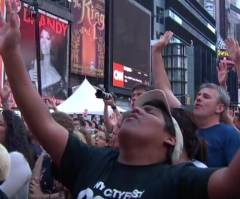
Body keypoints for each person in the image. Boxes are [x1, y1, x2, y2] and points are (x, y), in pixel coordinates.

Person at [2, 2, 240, 199]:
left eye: (151, 112)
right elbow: (41, 121)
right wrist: (11, 52)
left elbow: (232, 182)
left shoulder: (180, 180)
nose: (138, 110)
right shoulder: (91, 160)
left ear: (170, 138)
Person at [152, 31, 240, 167]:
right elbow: (164, 89)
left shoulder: (229, 134)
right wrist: (157, 53)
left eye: (206, 97)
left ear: (220, 108)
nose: (199, 98)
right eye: (198, 95)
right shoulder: (186, 124)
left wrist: (238, 62)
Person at [28, 27, 65, 98]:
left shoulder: (57, 77)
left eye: (48, 38)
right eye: (41, 37)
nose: (43, 42)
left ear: (53, 42)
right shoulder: (33, 66)